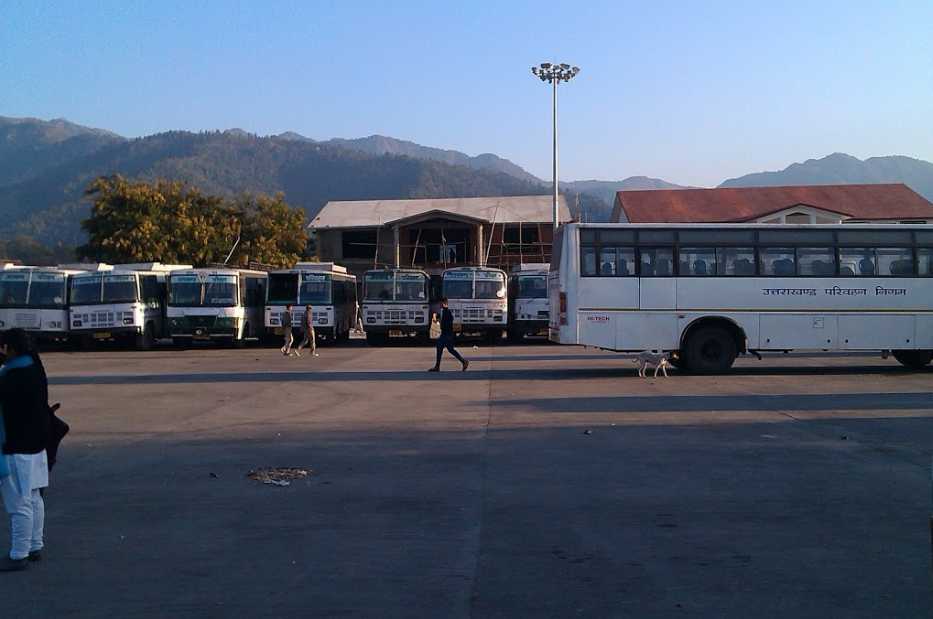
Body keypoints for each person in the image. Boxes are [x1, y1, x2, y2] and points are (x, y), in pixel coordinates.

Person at [0, 329, 50, 572]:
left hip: (16, 447)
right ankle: (34, 545)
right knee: (34, 498)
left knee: (19, 503)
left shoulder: (12, 376)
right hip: (37, 446)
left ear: (11, 349)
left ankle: (18, 554)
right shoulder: (35, 368)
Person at [428, 297, 468, 373]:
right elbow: (440, 319)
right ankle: (463, 361)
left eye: (440, 303)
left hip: (447, 334)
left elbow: (448, 322)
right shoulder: (444, 311)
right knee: (447, 349)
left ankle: (463, 361)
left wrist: (441, 324)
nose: (439, 305)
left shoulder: (447, 312)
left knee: (444, 348)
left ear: (443, 303)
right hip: (445, 334)